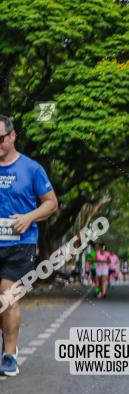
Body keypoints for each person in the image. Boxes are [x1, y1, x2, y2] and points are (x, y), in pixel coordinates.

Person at [0, 114, 59, 376]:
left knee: (8, 298)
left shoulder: (32, 169)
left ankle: (9, 355)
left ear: (13, 136)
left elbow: (51, 203)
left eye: (0, 139)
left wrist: (29, 217)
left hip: (19, 244)